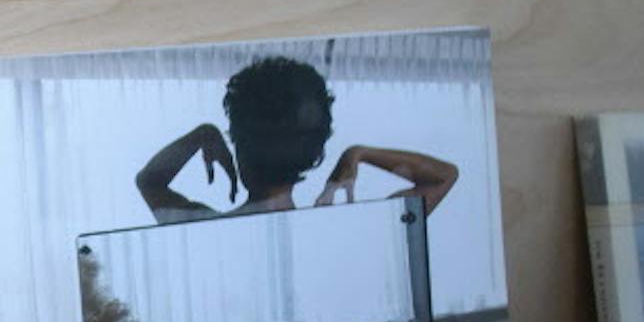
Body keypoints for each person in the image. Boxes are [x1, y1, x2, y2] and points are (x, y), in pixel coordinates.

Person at [136, 55, 459, 224]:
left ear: (238, 144)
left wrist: (202, 135)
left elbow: (149, 182)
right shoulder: (352, 234)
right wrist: (357, 154)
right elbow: (442, 177)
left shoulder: (204, 231)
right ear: (315, 155)